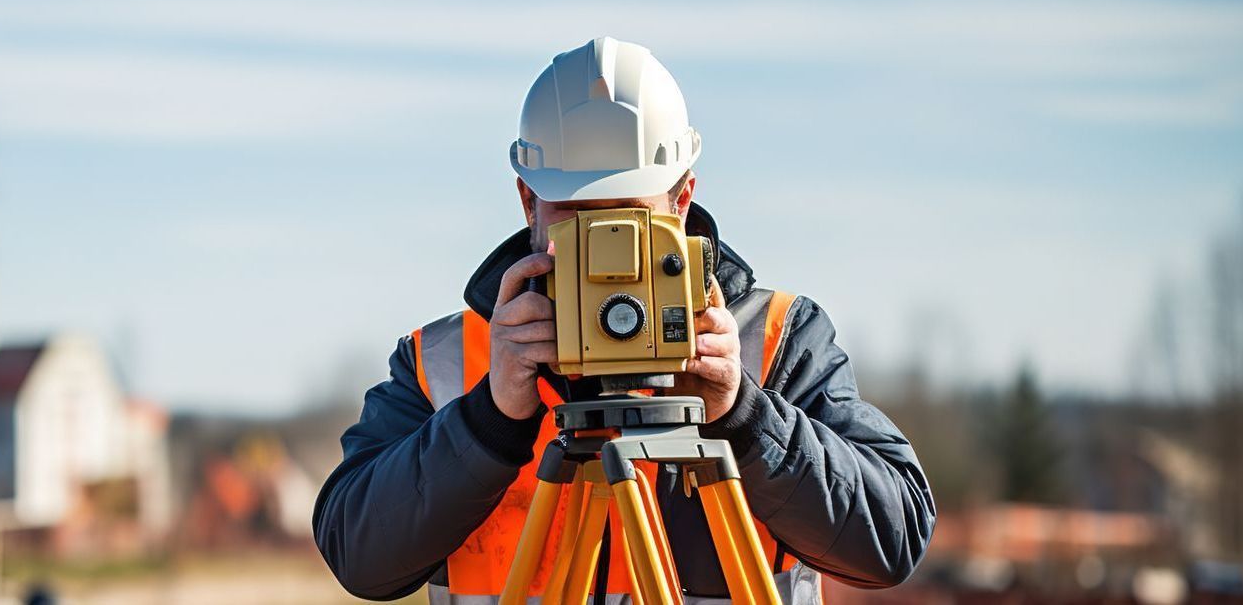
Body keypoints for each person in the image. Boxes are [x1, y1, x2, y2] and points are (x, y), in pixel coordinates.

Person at [314, 37, 935, 604]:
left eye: (628, 218)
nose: (605, 254)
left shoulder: (771, 341)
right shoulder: (450, 359)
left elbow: (893, 537)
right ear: (528, 200)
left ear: (682, 197)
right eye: (577, 217)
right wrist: (488, 419)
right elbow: (358, 554)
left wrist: (747, 418)